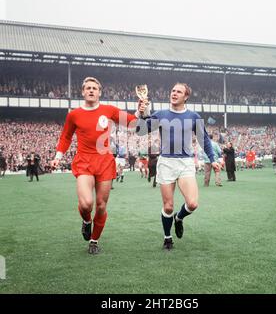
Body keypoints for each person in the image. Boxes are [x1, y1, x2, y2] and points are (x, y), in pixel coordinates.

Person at [51, 77, 146, 255]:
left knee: (101, 205)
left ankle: (94, 241)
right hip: (84, 161)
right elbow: (65, 137)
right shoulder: (74, 114)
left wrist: (139, 111)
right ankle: (87, 221)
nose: (92, 90)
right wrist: (58, 156)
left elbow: (132, 122)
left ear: (100, 92)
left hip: (104, 161)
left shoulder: (108, 110)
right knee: (87, 204)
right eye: (88, 88)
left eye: (95, 88)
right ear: (83, 92)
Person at [137, 83, 220, 250]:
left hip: (185, 162)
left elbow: (204, 140)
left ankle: (179, 218)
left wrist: (212, 158)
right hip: (166, 162)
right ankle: (167, 237)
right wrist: (141, 113)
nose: (174, 93)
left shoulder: (194, 116)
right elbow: (140, 130)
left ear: (186, 96)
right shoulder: (161, 114)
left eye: (179, 91)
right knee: (168, 206)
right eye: (173, 90)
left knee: (192, 203)